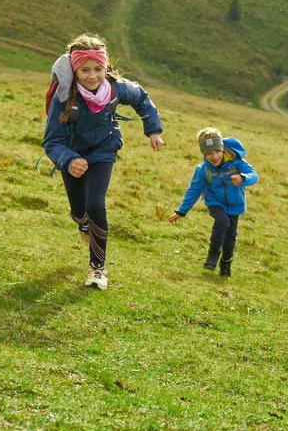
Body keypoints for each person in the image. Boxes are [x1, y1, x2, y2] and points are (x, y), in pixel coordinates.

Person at [42, 34, 165, 290]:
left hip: (103, 152)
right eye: (84, 70)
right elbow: (52, 140)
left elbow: (142, 98)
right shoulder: (64, 98)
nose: (92, 76)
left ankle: (98, 269)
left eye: (98, 69)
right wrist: (69, 160)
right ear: (74, 70)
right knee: (79, 211)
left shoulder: (116, 88)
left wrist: (153, 130)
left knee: (95, 204)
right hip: (73, 156)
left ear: (106, 66)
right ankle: (83, 223)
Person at [169, 127, 259, 277]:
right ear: (204, 154)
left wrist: (243, 178)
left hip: (235, 204)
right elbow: (194, 190)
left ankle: (225, 265)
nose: (214, 156)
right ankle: (213, 254)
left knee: (230, 240)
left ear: (222, 148)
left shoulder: (237, 162)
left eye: (217, 151)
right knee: (222, 222)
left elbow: (254, 175)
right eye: (209, 153)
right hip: (215, 201)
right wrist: (181, 211)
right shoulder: (203, 169)